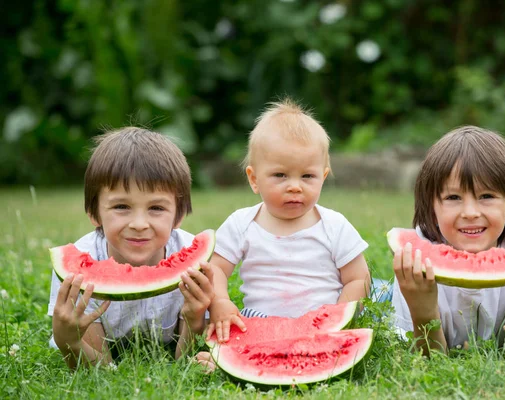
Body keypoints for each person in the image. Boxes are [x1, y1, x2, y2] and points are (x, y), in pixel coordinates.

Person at [47, 127, 215, 369]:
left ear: (177, 217)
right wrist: (69, 342)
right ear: (95, 213)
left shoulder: (194, 260)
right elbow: (101, 369)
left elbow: (183, 362)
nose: (139, 224)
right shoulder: (78, 269)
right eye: (121, 207)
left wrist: (193, 319)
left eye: (156, 208)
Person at [206, 99, 371, 343]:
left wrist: (339, 317)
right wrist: (220, 302)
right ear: (254, 179)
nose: (295, 186)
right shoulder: (242, 223)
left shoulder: (334, 226)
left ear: (323, 177)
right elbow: (216, 268)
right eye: (280, 175)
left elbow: (359, 278)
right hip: (259, 321)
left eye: (308, 176)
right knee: (228, 343)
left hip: (322, 322)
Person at [391, 126, 505, 355]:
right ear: (432, 210)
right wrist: (423, 311)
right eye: (453, 197)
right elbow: (427, 363)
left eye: (486, 196)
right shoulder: (414, 258)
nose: (470, 212)